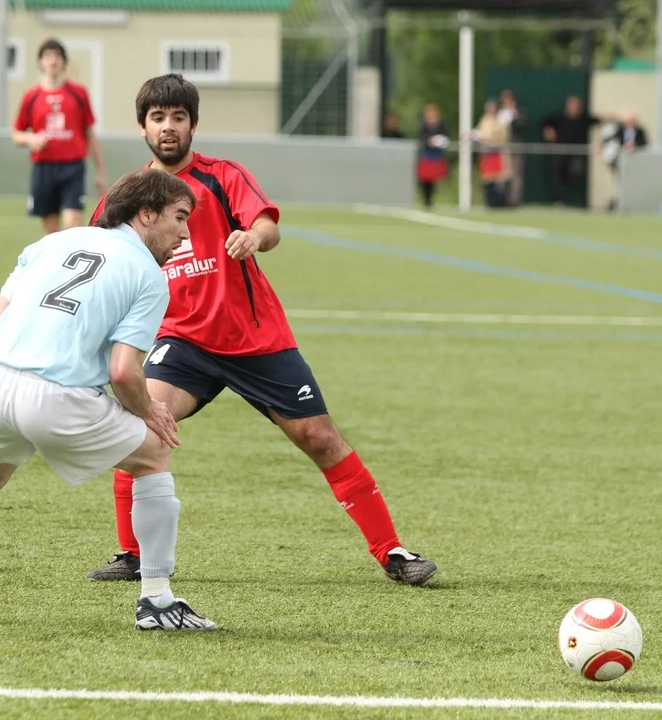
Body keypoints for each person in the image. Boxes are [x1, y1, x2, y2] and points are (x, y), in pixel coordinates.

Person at [85, 74, 437, 587]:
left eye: (178, 118)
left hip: (255, 339)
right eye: (158, 118)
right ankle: (132, 554)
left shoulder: (223, 176)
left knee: (320, 438)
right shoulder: (128, 195)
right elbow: (95, 251)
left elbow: (268, 225)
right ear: (142, 127)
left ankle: (392, 551)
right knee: (137, 426)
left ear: (193, 125)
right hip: (181, 343)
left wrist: (253, 237)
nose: (168, 127)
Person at [0, 168, 218, 631]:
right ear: (146, 214)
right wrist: (149, 410)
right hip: (57, 399)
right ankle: (157, 599)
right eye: (180, 216)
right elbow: (123, 372)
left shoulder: (51, 243)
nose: (186, 233)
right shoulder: (149, 275)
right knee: (153, 455)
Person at [12, 38, 106, 235]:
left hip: (73, 167)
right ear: (40, 62)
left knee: (73, 225)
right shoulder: (32, 96)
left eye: (57, 56)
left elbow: (90, 133)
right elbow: (17, 134)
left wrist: (100, 171)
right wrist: (31, 139)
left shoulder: (78, 93)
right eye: (48, 56)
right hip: (44, 167)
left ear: (64, 62)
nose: (53, 61)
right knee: (51, 230)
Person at [541, 95, 605, 208]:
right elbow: (544, 122)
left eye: (576, 106)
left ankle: (578, 200)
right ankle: (558, 200)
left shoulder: (583, 118)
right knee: (556, 173)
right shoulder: (558, 117)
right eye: (572, 105)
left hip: (575, 152)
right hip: (560, 150)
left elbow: (598, 121)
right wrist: (548, 130)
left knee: (576, 171)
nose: (574, 108)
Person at [471, 99, 512, 209]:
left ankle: (501, 202)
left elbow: (501, 135)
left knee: (500, 178)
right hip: (487, 152)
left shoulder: (500, 121)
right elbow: (481, 133)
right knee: (488, 178)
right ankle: (490, 202)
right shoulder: (485, 120)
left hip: (497, 151)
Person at [416, 103, 450, 209]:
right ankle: (426, 199)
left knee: (436, 178)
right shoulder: (423, 126)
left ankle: (433, 198)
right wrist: (429, 141)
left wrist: (439, 141)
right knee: (426, 179)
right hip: (427, 155)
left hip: (437, 155)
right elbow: (420, 137)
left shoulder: (441, 126)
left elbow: (445, 137)